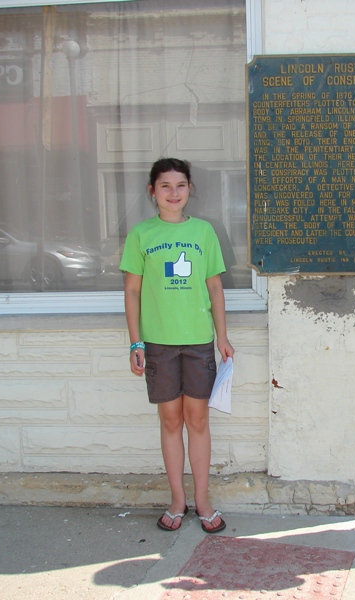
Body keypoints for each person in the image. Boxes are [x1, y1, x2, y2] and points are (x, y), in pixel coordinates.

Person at [121, 157, 234, 534]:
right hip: (158, 345)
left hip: (199, 342)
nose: (173, 192)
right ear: (152, 191)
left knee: (197, 420)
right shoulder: (141, 234)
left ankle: (202, 500)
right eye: (165, 186)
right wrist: (135, 341)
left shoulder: (204, 232)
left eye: (180, 185)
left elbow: (214, 287)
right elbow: (132, 291)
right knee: (170, 420)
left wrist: (222, 337)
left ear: (190, 189)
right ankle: (176, 500)